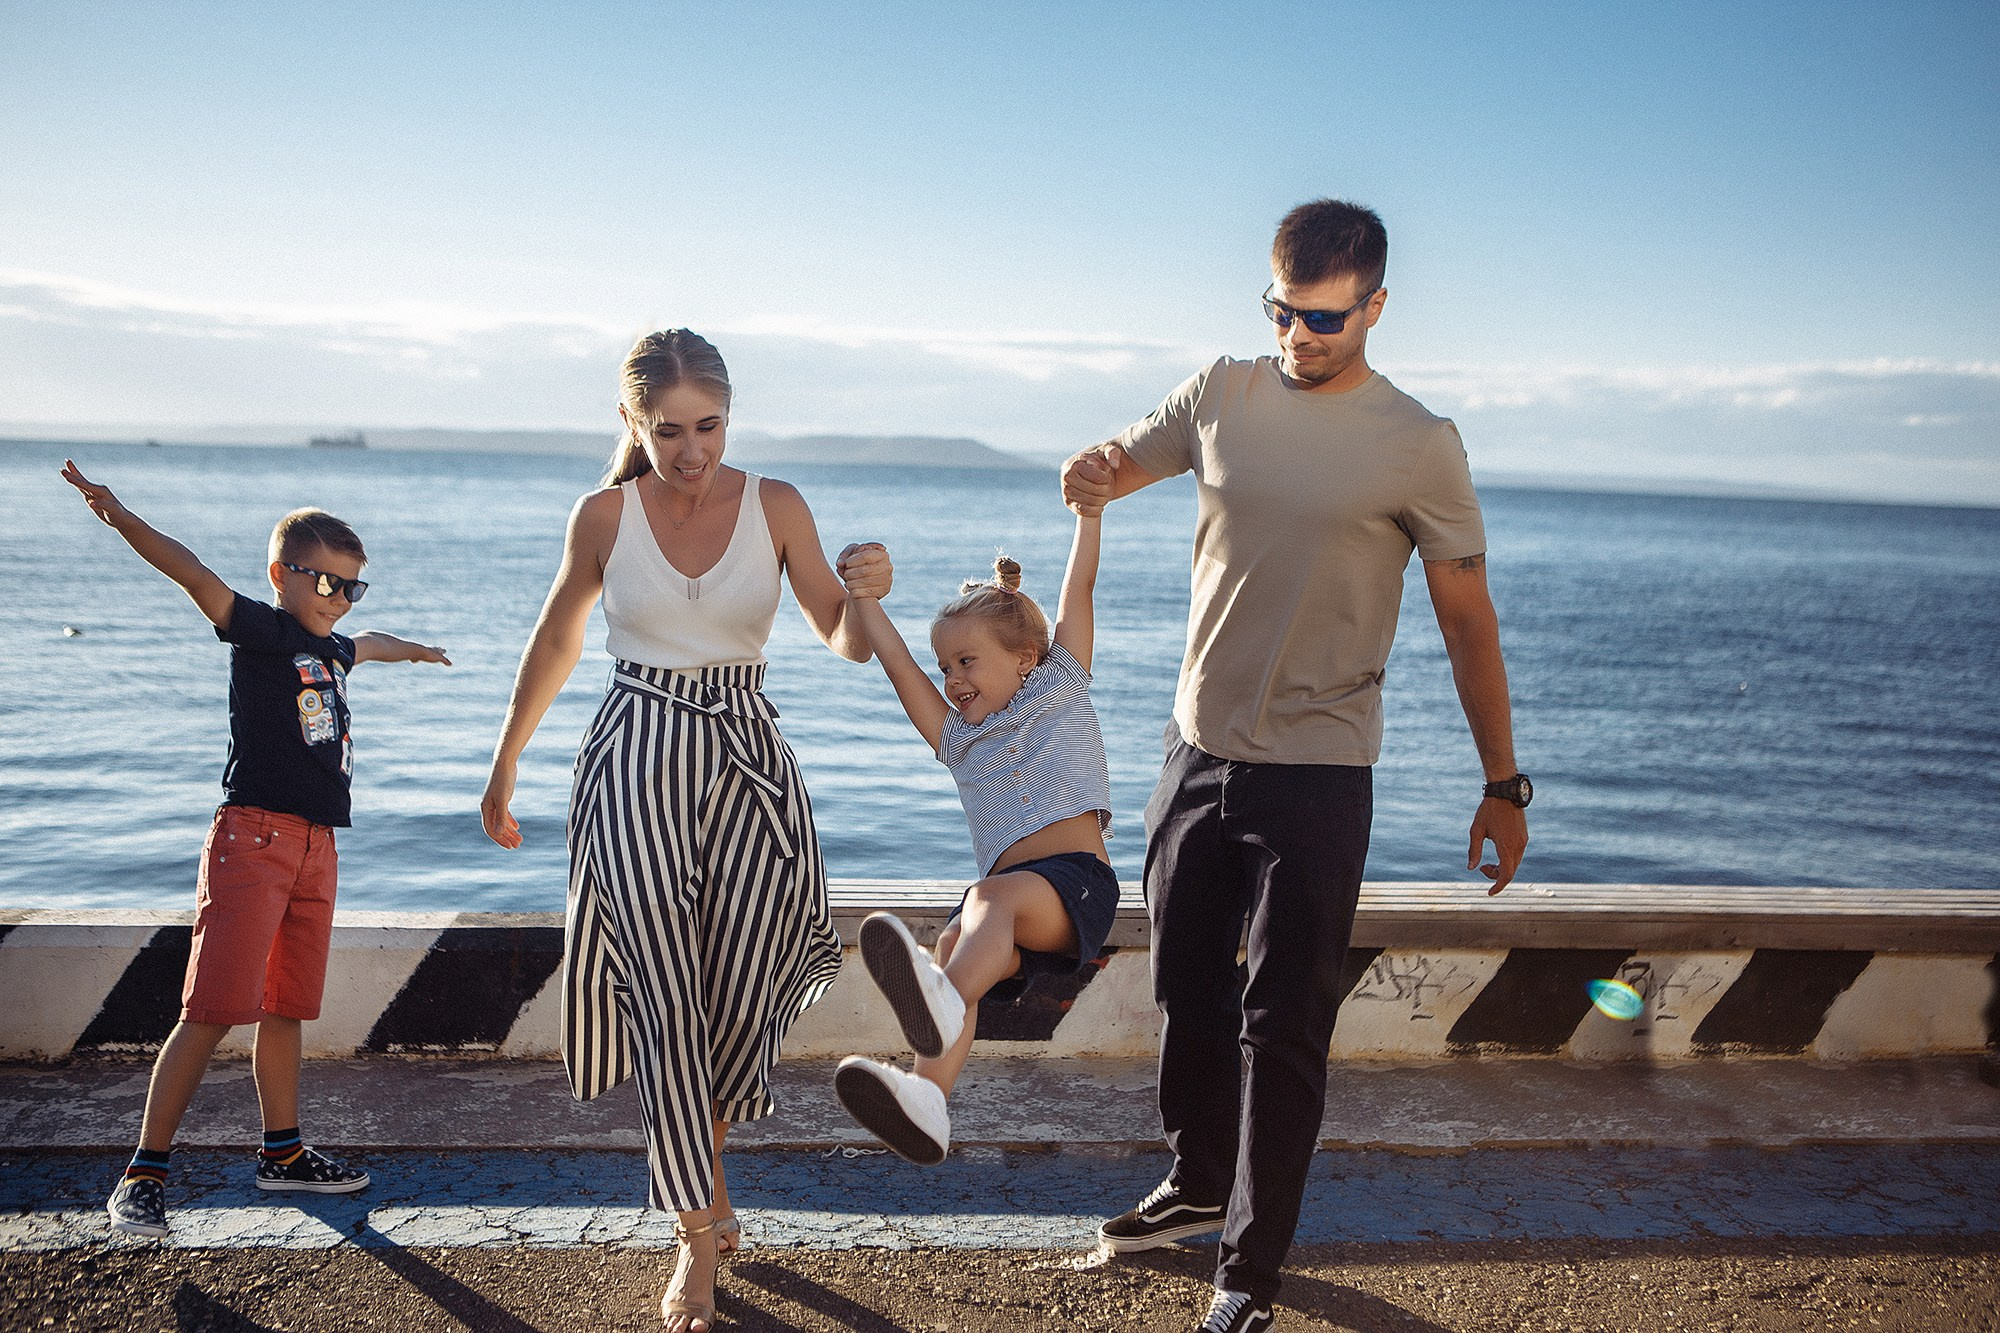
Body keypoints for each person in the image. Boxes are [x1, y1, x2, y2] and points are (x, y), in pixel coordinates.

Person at [1065, 199, 1532, 1333]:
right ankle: (1195, 1180)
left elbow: (1467, 620)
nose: (1298, 335)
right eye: (1281, 309)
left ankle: (1248, 1273)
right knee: (1181, 988)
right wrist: (1093, 472)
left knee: (1280, 1025)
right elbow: (1123, 465)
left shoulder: (1419, 443)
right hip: (1194, 750)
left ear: (1374, 306)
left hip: (1319, 771)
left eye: (1323, 316)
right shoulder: (1218, 391)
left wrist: (1500, 781)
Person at [479, 329, 889, 1333]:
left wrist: (866, 594)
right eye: (668, 431)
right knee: (666, 996)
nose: (692, 450)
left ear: (728, 418)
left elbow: (839, 637)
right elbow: (558, 637)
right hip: (635, 758)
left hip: (747, 757)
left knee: (738, 981)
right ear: (632, 423)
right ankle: (694, 1237)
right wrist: (504, 761)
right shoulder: (603, 515)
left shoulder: (777, 504)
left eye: (708, 426)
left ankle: (700, 1187)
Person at [59, 462, 451, 1240]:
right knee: (209, 1011)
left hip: (315, 847)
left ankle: (284, 1152)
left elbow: (368, 644)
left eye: (351, 586)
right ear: (282, 575)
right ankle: (144, 1171)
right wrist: (121, 515)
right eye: (326, 583)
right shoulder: (261, 630)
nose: (338, 599)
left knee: (286, 1007)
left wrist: (416, 651)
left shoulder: (335, 647)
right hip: (254, 838)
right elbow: (191, 571)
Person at [829, 507, 1115, 1166]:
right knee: (956, 937)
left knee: (985, 901)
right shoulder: (958, 739)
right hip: (1019, 921)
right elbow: (897, 664)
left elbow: (1081, 587)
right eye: (947, 666)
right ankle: (929, 1098)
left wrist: (1090, 517)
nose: (953, 679)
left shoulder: (1062, 683)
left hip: (1075, 888)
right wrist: (864, 599)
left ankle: (942, 997)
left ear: (1024, 658)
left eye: (966, 660)